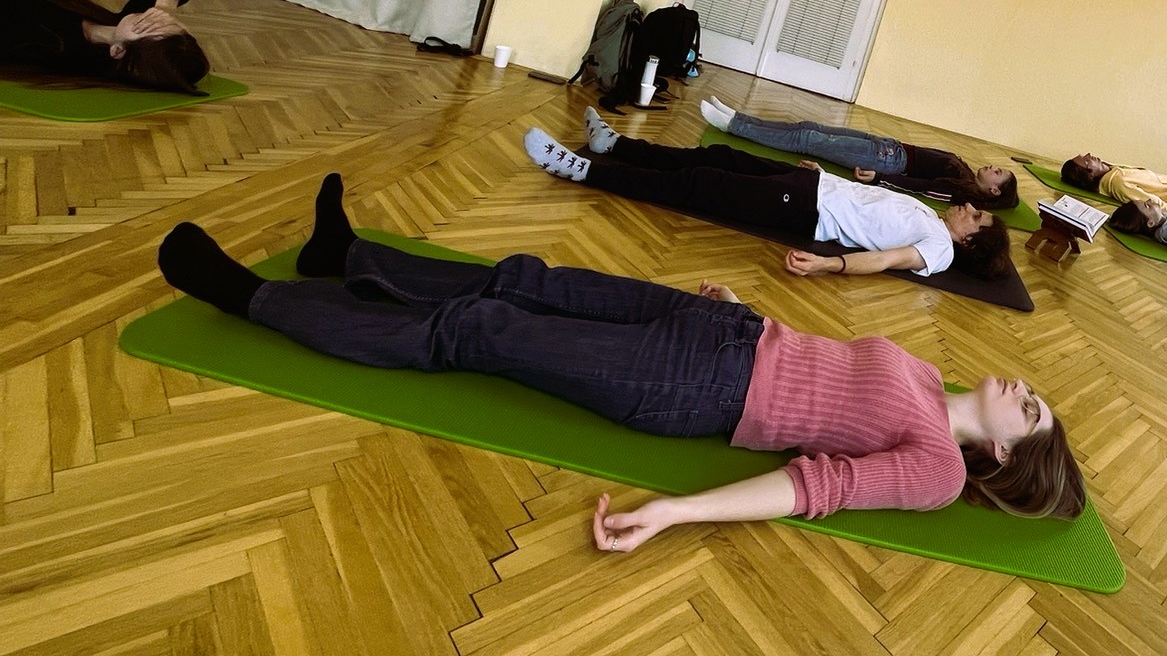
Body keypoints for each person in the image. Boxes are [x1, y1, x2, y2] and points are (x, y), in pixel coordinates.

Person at [153, 175, 1087, 551]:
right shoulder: (925, 379)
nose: (1025, 390)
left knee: (478, 332)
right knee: (525, 278)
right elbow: (822, 364)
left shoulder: (934, 472)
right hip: (726, 332)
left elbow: (810, 488)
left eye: (1031, 410)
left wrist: (675, 511)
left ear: (1006, 453)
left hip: (695, 389)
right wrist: (745, 310)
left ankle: (253, 298)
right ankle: (346, 256)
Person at [526, 118, 1014, 281]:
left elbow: (887, 259)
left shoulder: (940, 249)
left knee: (700, 184)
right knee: (717, 155)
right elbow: (871, 203)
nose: (970, 208)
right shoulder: (934, 217)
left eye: (976, 218)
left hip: (803, 209)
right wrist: (825, 175)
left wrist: (830, 265)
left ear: (969, 243)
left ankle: (586, 171)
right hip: (813, 186)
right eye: (977, 209)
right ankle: (618, 146)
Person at [699, 99, 1021, 210]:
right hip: (888, 144)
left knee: (807, 139)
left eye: (998, 173)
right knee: (808, 126)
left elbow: (919, 187)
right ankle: (739, 117)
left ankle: (733, 126)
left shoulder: (959, 190)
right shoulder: (965, 172)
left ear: (994, 190)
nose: (993, 167)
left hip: (885, 160)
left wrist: (879, 177)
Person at [0, 0, 209, 93]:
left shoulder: (54, 45)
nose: (152, 19)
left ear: (117, 51)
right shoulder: (120, 26)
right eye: (169, 23)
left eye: (151, 28)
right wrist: (164, 7)